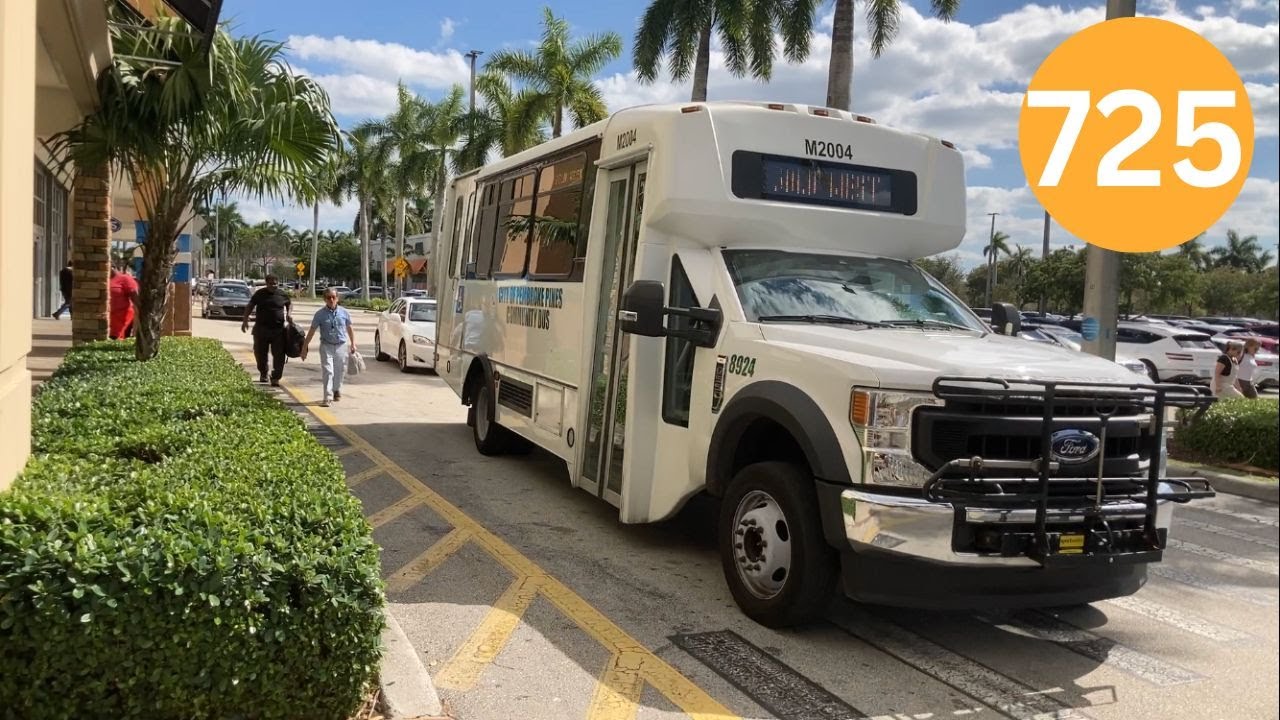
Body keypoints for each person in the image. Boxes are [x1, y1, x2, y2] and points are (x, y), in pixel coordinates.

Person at [300, 288, 356, 407]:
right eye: (328, 297)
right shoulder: (320, 314)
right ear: (324, 299)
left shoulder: (344, 312)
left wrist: (353, 343)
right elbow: (311, 331)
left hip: (341, 345)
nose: (331, 300)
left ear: (337, 298)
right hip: (326, 346)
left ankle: (336, 389)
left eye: (333, 297)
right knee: (328, 371)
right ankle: (327, 397)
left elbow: (349, 328)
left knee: (339, 370)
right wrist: (304, 347)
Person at [242, 275, 293, 386]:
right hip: (261, 329)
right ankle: (263, 373)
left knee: (279, 356)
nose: (273, 285)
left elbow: (289, 304)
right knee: (260, 354)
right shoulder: (260, 294)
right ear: (266, 283)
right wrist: (245, 320)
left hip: (278, 330)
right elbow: (250, 305)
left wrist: (289, 314)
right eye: (271, 283)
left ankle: (275, 377)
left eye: (275, 283)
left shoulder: (282, 294)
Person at [108, 264, 139, 340]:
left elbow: (136, 298)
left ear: (113, 267)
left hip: (122, 317)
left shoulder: (125, 279)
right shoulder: (104, 280)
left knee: (116, 339)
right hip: (109, 318)